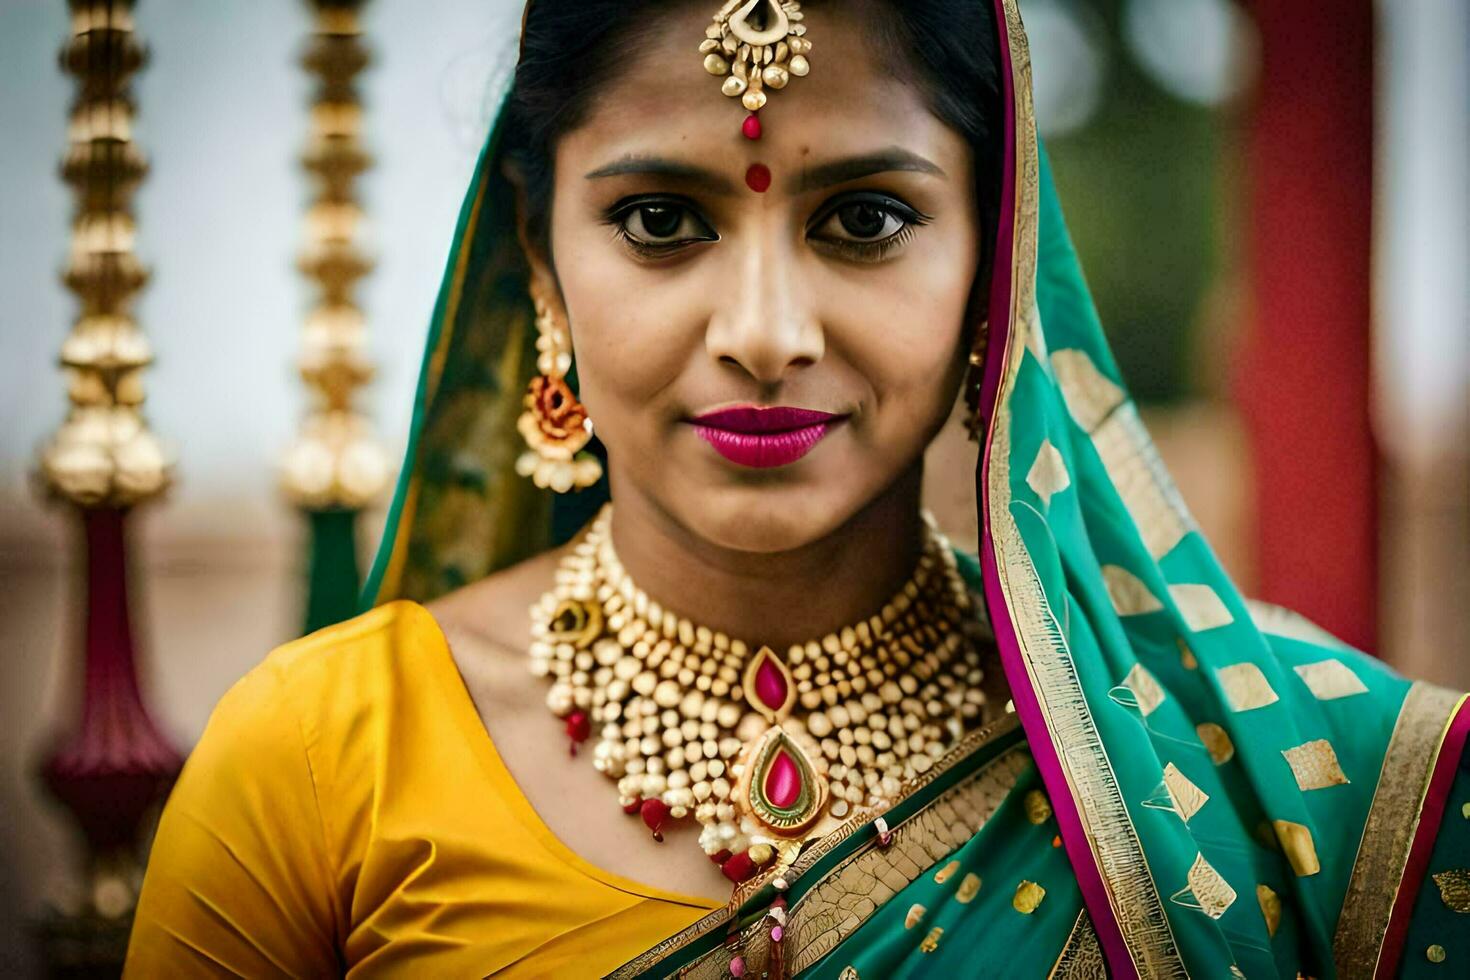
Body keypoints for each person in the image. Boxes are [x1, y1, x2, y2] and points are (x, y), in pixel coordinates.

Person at [125, 1, 1470, 977]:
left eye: (863, 219)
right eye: (660, 221)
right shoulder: (324, 754)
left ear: (989, 262)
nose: (764, 331)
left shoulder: (1240, 769)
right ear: (540, 266)